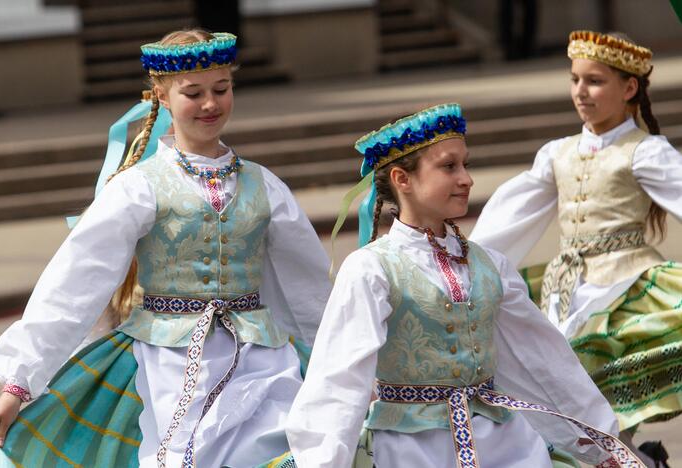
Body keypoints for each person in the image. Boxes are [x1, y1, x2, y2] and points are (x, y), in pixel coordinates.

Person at [0, 29, 331, 468]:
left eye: (222, 89)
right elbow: (76, 282)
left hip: (262, 363)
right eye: (194, 93)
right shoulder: (139, 187)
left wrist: (343, 363)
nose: (210, 104)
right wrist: (19, 385)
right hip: (167, 363)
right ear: (162, 98)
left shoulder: (264, 186)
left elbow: (309, 288)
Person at [285, 103, 643, 467]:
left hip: (506, 446)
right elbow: (340, 379)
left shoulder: (490, 265)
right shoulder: (371, 269)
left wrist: (598, 442)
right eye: (448, 166)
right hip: (411, 450)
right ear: (401, 179)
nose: (467, 179)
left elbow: (541, 359)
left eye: (465, 165)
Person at [470, 30, 682, 465]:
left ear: (629, 89)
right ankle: (639, 460)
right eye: (575, 80)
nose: (581, 92)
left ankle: (632, 458)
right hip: (563, 291)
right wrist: (457, 261)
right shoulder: (557, 154)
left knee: (588, 385)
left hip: (626, 287)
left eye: (595, 81)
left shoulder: (644, 151)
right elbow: (509, 219)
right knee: (555, 387)